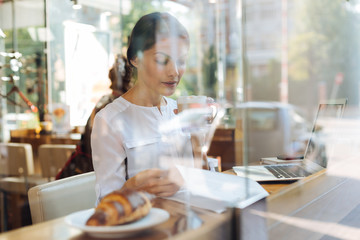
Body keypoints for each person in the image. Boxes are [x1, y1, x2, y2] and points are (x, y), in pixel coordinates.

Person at [91, 12, 192, 204]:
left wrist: (199, 138)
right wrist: (133, 186)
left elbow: (197, 180)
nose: (175, 72)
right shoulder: (109, 120)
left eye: (181, 60)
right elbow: (106, 202)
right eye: (162, 60)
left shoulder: (178, 111)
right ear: (135, 59)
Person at [56, 55, 132, 179]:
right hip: (105, 175)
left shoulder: (103, 102)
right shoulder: (122, 106)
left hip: (92, 171)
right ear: (129, 80)